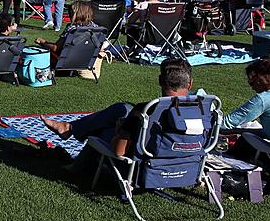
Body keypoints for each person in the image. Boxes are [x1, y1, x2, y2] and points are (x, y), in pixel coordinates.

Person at [42, 58, 194, 158]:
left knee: (101, 130)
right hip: (183, 161)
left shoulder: (145, 111)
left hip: (147, 158)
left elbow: (119, 151)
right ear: (190, 83)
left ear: (160, 81)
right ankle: (69, 130)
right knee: (122, 108)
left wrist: (121, 130)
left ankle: (73, 149)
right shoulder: (203, 109)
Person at [34, 1, 97, 65]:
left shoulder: (72, 29)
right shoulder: (95, 27)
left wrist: (42, 42)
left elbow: (55, 48)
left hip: (67, 61)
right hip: (86, 60)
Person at [221, 59, 270, 139]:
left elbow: (226, 123)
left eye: (251, 83)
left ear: (259, 80)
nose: (252, 88)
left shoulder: (262, 100)